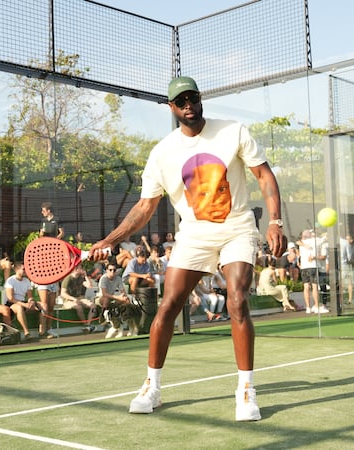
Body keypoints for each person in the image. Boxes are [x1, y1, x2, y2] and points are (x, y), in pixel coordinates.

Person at [89, 76, 287, 421]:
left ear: (199, 99)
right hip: (194, 235)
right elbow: (144, 208)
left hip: (237, 227)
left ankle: (245, 391)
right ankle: (152, 387)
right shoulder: (162, 153)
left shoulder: (233, 131)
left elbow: (264, 176)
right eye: (181, 102)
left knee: (238, 298)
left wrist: (275, 221)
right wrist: (110, 239)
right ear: (172, 108)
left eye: (193, 98)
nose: (189, 106)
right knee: (168, 306)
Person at [37, 202, 63, 338]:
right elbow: (41, 234)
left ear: (49, 210)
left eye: (43, 210)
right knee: (44, 305)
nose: (42, 212)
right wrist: (45, 241)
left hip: (53, 280)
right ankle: (42, 330)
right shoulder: (42, 222)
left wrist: (54, 241)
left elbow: (61, 233)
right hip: (43, 281)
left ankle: (49, 328)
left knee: (51, 306)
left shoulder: (57, 220)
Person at [98, 263, 139, 338]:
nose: (112, 272)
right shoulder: (103, 278)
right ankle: (103, 316)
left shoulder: (118, 278)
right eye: (110, 270)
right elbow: (104, 294)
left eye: (114, 270)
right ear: (106, 270)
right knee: (106, 300)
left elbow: (123, 292)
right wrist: (118, 298)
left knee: (126, 301)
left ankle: (131, 326)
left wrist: (124, 297)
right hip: (101, 298)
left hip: (113, 298)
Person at [3, 262, 39, 341]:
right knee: (19, 308)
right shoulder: (10, 280)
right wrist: (25, 305)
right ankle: (26, 333)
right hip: (12, 304)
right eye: (23, 269)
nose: (25, 270)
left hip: (23, 302)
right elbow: (10, 298)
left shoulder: (26, 281)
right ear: (17, 270)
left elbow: (30, 296)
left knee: (43, 305)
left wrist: (31, 301)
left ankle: (43, 331)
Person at [60, 265, 98, 333]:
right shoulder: (68, 279)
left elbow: (89, 286)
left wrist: (86, 276)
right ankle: (85, 324)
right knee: (78, 307)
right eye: (80, 268)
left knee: (93, 306)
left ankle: (88, 324)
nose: (82, 269)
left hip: (80, 298)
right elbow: (63, 293)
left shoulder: (81, 278)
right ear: (76, 269)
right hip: (69, 300)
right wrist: (73, 299)